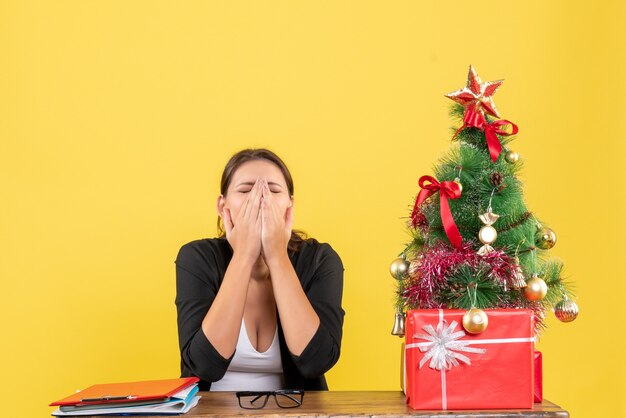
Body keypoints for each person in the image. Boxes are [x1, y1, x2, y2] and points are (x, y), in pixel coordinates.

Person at [175, 148, 344, 392]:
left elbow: (315, 361)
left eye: (273, 191)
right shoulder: (197, 257)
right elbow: (204, 365)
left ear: (290, 206)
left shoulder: (319, 259)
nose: (261, 200)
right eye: (245, 191)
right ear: (223, 207)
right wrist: (244, 255)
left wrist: (277, 256)